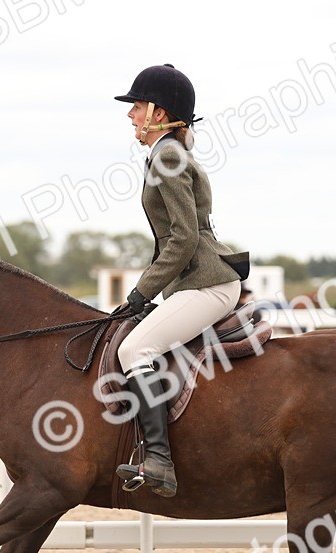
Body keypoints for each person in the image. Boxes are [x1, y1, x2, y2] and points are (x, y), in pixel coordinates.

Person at [112, 64, 248, 498]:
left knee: (135, 347)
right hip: (195, 282)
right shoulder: (165, 154)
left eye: (136, 105)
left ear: (157, 111)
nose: (130, 114)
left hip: (207, 283)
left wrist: (141, 293)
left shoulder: (167, 156)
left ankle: (159, 460)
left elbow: (184, 237)